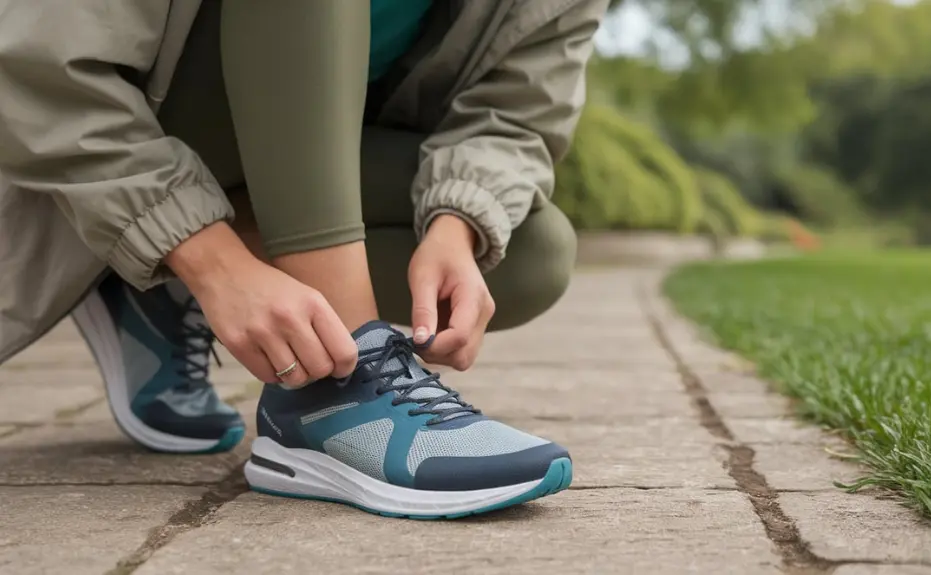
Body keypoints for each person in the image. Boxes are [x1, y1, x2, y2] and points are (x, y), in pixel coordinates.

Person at [0, 0, 606, 517]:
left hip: (286, 162)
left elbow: (515, 114)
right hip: (94, 142)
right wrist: (213, 262)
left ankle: (147, 283)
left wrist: (456, 225)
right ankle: (334, 385)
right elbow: (34, 70)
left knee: (530, 253)